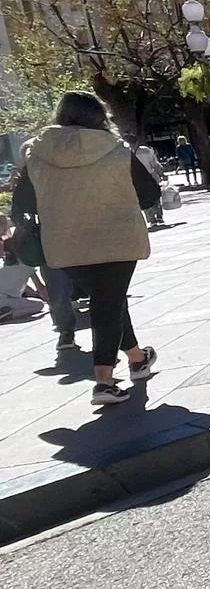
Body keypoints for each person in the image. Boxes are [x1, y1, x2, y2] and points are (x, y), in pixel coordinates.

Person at [11, 91, 159, 404]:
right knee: (107, 302)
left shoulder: (35, 154)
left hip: (63, 245)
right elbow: (149, 194)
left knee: (110, 298)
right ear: (98, 116)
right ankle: (103, 381)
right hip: (116, 239)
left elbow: (22, 203)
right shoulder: (116, 150)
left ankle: (136, 357)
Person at [0, 219, 48, 323]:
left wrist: (34, 294)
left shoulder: (8, 264)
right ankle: (8, 314)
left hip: (6, 297)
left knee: (21, 302)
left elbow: (23, 286)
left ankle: (6, 311)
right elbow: (41, 289)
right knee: (39, 305)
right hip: (6, 299)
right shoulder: (28, 264)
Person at [134, 142, 165, 228]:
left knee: (144, 197)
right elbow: (154, 163)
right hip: (151, 175)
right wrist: (161, 173)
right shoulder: (146, 150)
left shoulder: (126, 152)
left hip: (138, 178)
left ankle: (152, 219)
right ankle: (159, 215)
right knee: (156, 195)